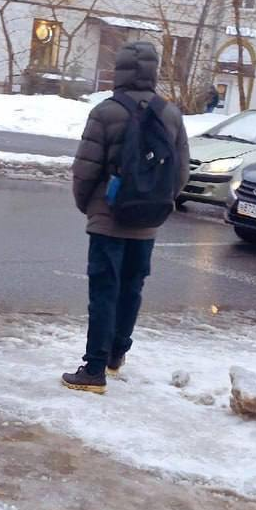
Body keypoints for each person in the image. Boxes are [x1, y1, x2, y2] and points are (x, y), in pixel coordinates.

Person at [62, 41, 190, 394]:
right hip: (147, 221)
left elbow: (85, 170)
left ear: (119, 71)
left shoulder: (106, 112)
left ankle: (94, 369)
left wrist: (90, 207)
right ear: (152, 72)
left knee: (104, 290)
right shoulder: (171, 114)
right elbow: (181, 173)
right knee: (133, 288)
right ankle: (118, 354)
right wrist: (157, 203)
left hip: (108, 218)